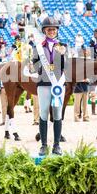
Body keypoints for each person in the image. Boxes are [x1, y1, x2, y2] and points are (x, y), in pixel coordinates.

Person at [31, 18, 67, 156]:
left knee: (57, 113)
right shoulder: (38, 47)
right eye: (49, 29)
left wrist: (63, 56)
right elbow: (34, 64)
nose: (51, 31)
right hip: (44, 84)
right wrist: (43, 69)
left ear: (57, 31)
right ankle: (43, 145)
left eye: (54, 29)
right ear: (45, 31)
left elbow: (66, 67)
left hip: (58, 84)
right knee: (44, 112)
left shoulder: (63, 46)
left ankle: (57, 145)